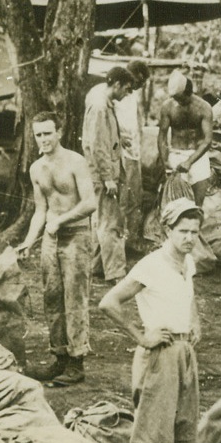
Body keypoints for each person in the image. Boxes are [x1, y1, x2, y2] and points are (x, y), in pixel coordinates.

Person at [99, 198, 209, 443]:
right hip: (158, 355)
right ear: (167, 230)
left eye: (194, 231)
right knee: (154, 441)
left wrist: (194, 320)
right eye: (183, 231)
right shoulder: (150, 265)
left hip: (184, 353)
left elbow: (188, 295)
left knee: (185, 436)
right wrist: (140, 336)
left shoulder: (186, 262)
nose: (190, 238)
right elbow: (109, 303)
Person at [15, 112, 98, 385]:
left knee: (75, 299)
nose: (43, 139)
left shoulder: (76, 161)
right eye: (38, 134)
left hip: (76, 235)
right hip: (51, 239)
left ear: (59, 132)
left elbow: (89, 203)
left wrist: (61, 220)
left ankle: (77, 362)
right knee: (52, 297)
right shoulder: (36, 168)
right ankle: (59, 357)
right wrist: (29, 240)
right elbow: (41, 209)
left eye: (48, 133)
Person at [83, 65, 134, 282]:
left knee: (101, 220)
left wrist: (118, 139)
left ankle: (96, 266)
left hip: (106, 168)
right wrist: (108, 178)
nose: (127, 93)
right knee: (111, 222)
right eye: (127, 88)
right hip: (103, 172)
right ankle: (116, 272)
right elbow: (97, 145)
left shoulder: (101, 97)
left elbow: (102, 135)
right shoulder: (100, 106)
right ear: (117, 84)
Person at [158, 71, 214, 205]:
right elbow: (162, 136)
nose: (178, 101)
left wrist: (189, 161)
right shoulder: (167, 107)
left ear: (189, 93)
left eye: (180, 98)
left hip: (197, 157)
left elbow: (207, 140)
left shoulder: (204, 108)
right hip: (176, 154)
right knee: (176, 202)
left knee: (198, 201)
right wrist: (165, 161)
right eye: (175, 98)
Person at [117, 60, 151, 252]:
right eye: (140, 81)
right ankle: (119, 243)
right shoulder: (116, 94)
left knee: (135, 197)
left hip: (134, 153)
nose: (140, 86)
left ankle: (130, 240)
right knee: (122, 199)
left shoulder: (133, 95)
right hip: (120, 153)